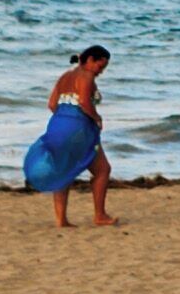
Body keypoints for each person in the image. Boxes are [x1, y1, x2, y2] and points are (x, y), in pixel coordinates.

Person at [25, 46, 115, 231]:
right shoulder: (86, 76)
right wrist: (96, 117)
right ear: (89, 60)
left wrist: (64, 119)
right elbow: (83, 102)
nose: (101, 71)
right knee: (102, 170)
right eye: (100, 65)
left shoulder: (65, 77)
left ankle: (61, 220)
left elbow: (51, 104)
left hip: (57, 124)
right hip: (78, 128)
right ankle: (100, 215)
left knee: (63, 169)